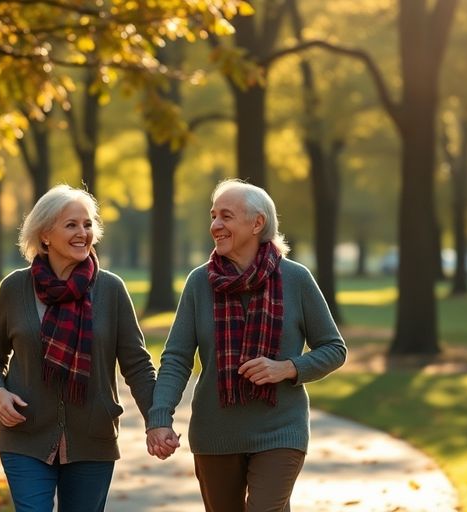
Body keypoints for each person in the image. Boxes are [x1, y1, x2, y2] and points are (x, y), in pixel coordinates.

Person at [145, 179, 347, 512]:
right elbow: (177, 359)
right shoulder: (199, 283)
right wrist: (160, 417)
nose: (215, 226)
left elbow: (334, 348)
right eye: (213, 216)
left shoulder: (296, 279)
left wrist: (287, 367)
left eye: (226, 216)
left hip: (281, 430)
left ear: (257, 223)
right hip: (215, 434)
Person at [0, 184, 156, 512]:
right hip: (25, 436)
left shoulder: (111, 289)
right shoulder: (15, 288)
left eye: (87, 224)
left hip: (93, 440)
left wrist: (157, 420)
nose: (82, 233)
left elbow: (137, 365)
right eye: (71, 224)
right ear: (45, 235)